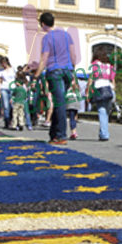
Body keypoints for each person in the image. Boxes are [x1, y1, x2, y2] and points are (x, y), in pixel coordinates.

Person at [33, 12, 78, 145]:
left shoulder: (47, 38)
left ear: (42, 24)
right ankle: (53, 134)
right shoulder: (66, 35)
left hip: (55, 72)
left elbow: (44, 59)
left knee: (59, 104)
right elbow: (73, 55)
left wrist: (36, 75)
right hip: (67, 71)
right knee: (59, 102)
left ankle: (61, 136)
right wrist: (71, 69)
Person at [86, 51, 115, 141]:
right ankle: (103, 132)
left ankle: (104, 134)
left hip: (99, 88)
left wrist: (88, 91)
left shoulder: (94, 64)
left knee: (101, 111)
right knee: (106, 112)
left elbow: (91, 78)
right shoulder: (110, 66)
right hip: (109, 89)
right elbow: (113, 80)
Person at [0, 57, 15, 129]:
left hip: (12, 88)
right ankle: (7, 122)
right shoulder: (1, 71)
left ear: (6, 62)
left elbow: (17, 78)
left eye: (3, 63)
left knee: (12, 105)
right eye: (1, 64)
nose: (2, 65)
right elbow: (0, 81)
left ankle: (12, 120)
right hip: (4, 88)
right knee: (5, 106)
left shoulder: (13, 69)